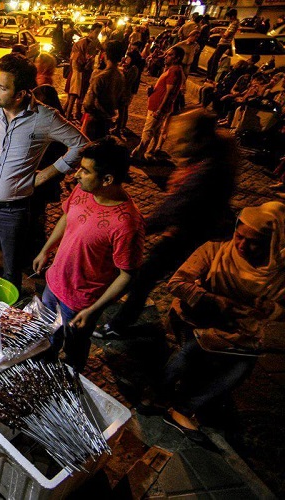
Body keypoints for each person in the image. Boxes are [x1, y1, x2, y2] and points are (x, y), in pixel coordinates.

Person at [96, 110, 238, 339]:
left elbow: (174, 208)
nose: (174, 146)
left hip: (189, 235)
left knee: (144, 277)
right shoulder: (210, 158)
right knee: (148, 276)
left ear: (199, 139)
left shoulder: (207, 171)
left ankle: (119, 324)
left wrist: (135, 228)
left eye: (182, 140)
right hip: (191, 231)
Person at [152, 201, 285, 439]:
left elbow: (281, 310)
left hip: (239, 330)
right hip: (197, 319)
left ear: (270, 242)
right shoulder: (215, 251)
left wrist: (271, 309)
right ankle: (155, 395)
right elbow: (177, 283)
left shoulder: (277, 272)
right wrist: (214, 300)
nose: (242, 245)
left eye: (253, 241)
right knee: (193, 350)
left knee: (240, 369)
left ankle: (183, 408)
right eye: (239, 236)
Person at [0, 54, 88, 290]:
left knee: (12, 268)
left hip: (15, 211)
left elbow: (81, 145)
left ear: (20, 94)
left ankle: (8, 309)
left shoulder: (45, 118)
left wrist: (45, 175)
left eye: (2, 88)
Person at [34, 137, 145, 372]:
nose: (76, 175)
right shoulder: (83, 190)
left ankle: (70, 374)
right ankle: (45, 364)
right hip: (54, 283)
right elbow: (67, 217)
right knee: (47, 333)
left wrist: (93, 310)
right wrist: (46, 250)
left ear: (107, 179)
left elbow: (127, 275)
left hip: (81, 302)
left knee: (74, 346)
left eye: (85, 171)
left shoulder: (127, 224)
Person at [131, 46, 184, 161]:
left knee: (148, 131)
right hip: (158, 106)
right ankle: (149, 152)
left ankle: (137, 155)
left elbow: (170, 92)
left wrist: (160, 109)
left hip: (158, 107)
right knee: (155, 131)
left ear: (177, 58)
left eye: (170, 55)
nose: (166, 57)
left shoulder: (174, 71)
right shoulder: (172, 69)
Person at [81, 40, 125, 140]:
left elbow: (88, 103)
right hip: (108, 120)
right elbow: (122, 102)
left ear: (106, 55)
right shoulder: (120, 76)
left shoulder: (100, 77)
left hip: (95, 120)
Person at [64, 23, 102, 122]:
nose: (97, 34)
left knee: (79, 95)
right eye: (96, 32)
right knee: (72, 96)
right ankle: (66, 116)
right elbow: (75, 60)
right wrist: (85, 62)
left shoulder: (95, 42)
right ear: (91, 31)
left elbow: (100, 49)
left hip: (85, 72)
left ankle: (73, 113)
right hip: (77, 73)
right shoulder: (82, 42)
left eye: (99, 32)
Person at [115, 48, 143, 137]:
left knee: (123, 110)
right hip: (124, 91)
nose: (126, 59)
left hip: (126, 92)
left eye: (128, 58)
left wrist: (123, 72)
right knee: (123, 110)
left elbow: (127, 81)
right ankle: (120, 126)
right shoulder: (129, 67)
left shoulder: (134, 69)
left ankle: (119, 128)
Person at [206, 9, 239, 82]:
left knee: (214, 61)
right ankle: (209, 77)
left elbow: (226, 36)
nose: (228, 18)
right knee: (211, 61)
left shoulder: (234, 24)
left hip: (224, 44)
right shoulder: (233, 23)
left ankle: (211, 78)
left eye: (229, 17)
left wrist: (219, 32)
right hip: (222, 44)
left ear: (232, 16)